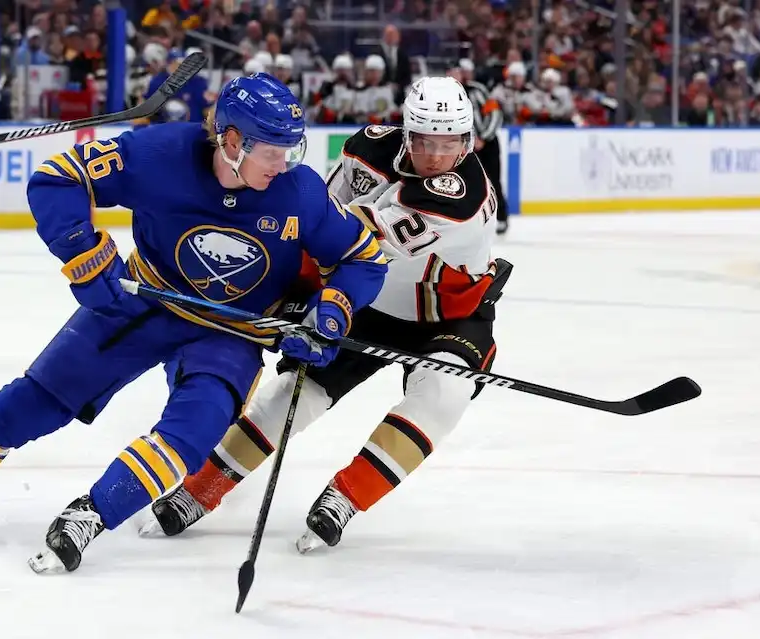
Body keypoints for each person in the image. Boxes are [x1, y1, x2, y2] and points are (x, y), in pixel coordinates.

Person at [0, 74, 388, 574]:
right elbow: (58, 178)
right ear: (232, 140)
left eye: (290, 150)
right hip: (142, 304)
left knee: (193, 432)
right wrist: (84, 254)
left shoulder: (300, 193)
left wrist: (332, 310)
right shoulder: (160, 154)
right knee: (35, 401)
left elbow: (365, 258)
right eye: (273, 151)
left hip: (228, 334)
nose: (286, 164)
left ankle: (91, 515)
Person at [139, 77, 510, 554]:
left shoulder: (462, 194)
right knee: (296, 391)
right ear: (406, 132)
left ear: (468, 139)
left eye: (451, 143)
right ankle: (200, 490)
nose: (438, 156)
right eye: (425, 142)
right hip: (368, 303)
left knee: (444, 392)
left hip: (450, 317)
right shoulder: (366, 148)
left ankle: (345, 498)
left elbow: (361, 239)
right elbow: (318, 221)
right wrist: (299, 290)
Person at [451, 60, 509, 235]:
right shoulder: (446, 95)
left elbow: (495, 113)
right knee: (465, 184)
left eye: (457, 71)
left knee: (493, 181)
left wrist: (484, 137)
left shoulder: (478, 90)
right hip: (465, 147)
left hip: (487, 144)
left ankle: (501, 218)